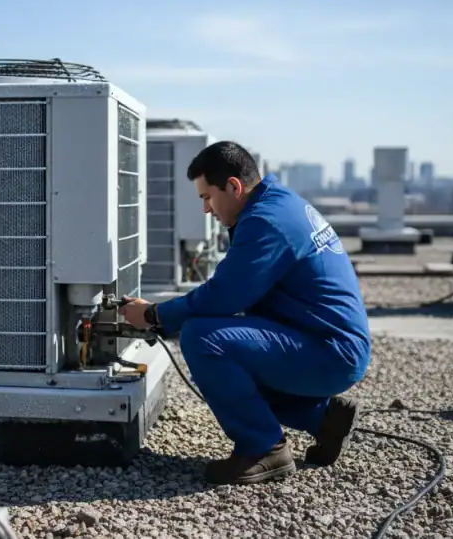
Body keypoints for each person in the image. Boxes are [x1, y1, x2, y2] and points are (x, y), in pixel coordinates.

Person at [122, 141, 371, 485]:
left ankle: (264, 448)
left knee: (204, 339)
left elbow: (222, 296)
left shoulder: (266, 223)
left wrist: (154, 315)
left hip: (330, 351)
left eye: (207, 197)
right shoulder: (278, 204)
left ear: (234, 187)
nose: (206, 209)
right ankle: (325, 420)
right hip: (327, 341)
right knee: (232, 357)